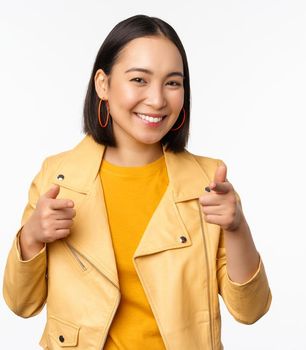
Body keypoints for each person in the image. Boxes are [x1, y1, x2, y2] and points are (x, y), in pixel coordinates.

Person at [2, 14, 271, 349]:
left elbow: (250, 309)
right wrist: (31, 237)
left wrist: (236, 227)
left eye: (173, 83)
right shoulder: (57, 177)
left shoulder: (207, 182)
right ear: (103, 84)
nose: (158, 99)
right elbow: (20, 303)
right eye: (140, 80)